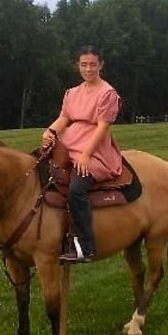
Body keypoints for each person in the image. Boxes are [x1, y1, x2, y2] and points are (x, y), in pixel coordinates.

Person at [42, 45, 123, 264]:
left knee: (76, 190)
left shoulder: (107, 93)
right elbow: (64, 119)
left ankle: (86, 247)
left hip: (95, 150)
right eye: (84, 65)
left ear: (101, 65)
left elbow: (102, 128)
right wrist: (49, 132)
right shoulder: (72, 93)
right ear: (78, 66)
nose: (88, 69)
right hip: (68, 146)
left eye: (93, 65)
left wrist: (86, 156)